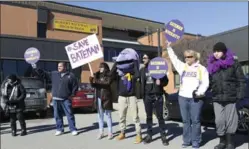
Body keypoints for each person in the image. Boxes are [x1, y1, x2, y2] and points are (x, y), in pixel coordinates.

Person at [166, 42, 210, 149]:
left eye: (189, 57)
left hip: (195, 99)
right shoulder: (182, 67)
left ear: (194, 57)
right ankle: (186, 141)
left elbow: (205, 83)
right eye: (185, 57)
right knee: (185, 121)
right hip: (183, 97)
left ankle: (196, 141)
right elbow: (174, 59)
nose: (187, 59)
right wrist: (169, 48)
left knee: (195, 120)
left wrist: (199, 92)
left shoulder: (201, 69)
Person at [207, 42, 245, 149]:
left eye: (218, 51)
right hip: (217, 97)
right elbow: (208, 82)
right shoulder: (212, 65)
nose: (216, 53)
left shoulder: (234, 63)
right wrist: (201, 90)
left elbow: (241, 80)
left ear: (223, 51)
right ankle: (222, 141)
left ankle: (230, 142)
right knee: (219, 120)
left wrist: (240, 94)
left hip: (231, 96)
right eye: (214, 51)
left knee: (230, 121)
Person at [32, 62, 79, 136]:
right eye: (58, 66)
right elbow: (44, 74)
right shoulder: (54, 74)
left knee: (69, 114)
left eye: (60, 66)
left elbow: (75, 86)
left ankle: (73, 129)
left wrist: (72, 95)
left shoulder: (71, 76)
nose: (59, 67)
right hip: (56, 99)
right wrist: (36, 68)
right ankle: (59, 129)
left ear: (65, 67)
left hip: (66, 99)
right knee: (57, 115)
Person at [110, 48, 142, 144]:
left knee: (135, 117)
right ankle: (122, 132)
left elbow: (138, 74)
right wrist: (116, 62)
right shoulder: (119, 74)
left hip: (132, 96)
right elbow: (111, 74)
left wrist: (135, 62)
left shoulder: (133, 73)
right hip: (122, 97)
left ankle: (138, 135)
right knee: (121, 116)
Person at [140, 53, 169, 146]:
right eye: (143, 58)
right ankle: (149, 135)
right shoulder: (143, 70)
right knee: (149, 117)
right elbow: (142, 83)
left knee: (160, 116)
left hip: (158, 96)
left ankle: (163, 136)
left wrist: (160, 82)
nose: (143, 59)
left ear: (150, 59)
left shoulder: (159, 68)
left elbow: (166, 82)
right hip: (147, 96)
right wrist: (143, 96)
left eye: (145, 58)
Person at [89, 62, 114, 140]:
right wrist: (91, 80)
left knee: (108, 115)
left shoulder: (109, 75)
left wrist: (95, 80)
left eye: (102, 67)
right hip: (99, 97)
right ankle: (101, 132)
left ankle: (110, 132)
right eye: (99, 67)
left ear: (105, 68)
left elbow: (106, 83)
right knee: (100, 115)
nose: (100, 68)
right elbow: (94, 85)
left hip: (106, 98)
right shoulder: (97, 75)